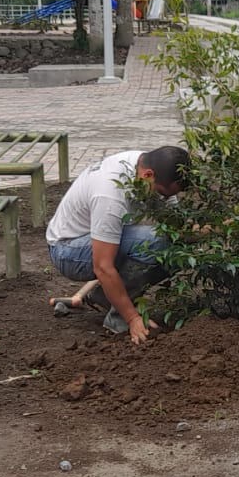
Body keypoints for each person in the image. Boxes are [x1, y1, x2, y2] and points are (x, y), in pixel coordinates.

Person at [45, 145, 191, 344]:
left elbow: (176, 226)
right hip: (68, 250)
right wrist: (133, 318)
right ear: (148, 175)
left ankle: (105, 297)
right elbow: (103, 267)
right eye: (162, 194)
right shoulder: (109, 194)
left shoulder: (144, 165)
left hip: (92, 240)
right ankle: (119, 317)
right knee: (159, 242)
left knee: (175, 246)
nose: (165, 200)